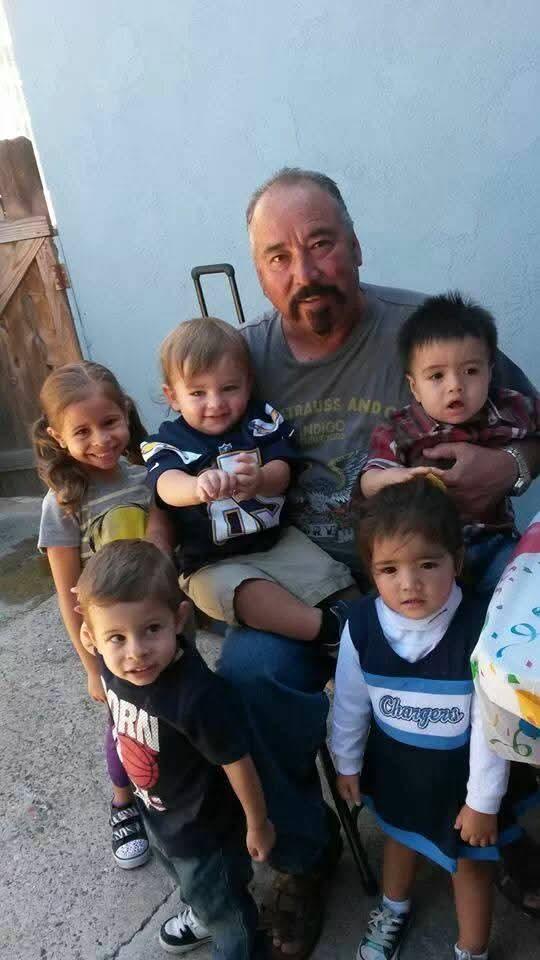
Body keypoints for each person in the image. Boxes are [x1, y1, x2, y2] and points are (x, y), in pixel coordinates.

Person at [152, 167, 540, 956]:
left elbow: (530, 426)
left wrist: (516, 468)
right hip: (305, 575)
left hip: (438, 571)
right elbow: (166, 463)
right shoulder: (244, 355)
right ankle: (304, 856)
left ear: (355, 247)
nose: (304, 272)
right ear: (258, 271)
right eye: (278, 257)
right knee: (252, 676)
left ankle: (506, 823)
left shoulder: (424, 330)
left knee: (517, 653)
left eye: (320, 244)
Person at [331, 478, 513, 960]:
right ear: (371, 571)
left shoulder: (480, 626)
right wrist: (346, 762)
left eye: (427, 564)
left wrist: (483, 801)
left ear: (457, 559)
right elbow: (349, 703)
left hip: (463, 779)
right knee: (398, 836)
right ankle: (393, 908)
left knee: (471, 867)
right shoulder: (362, 625)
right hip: (398, 766)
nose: (408, 584)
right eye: (389, 569)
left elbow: (493, 729)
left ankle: (472, 950)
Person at [77, 539, 275, 959]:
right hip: (161, 813)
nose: (136, 653)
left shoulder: (196, 697)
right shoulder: (115, 672)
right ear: (90, 637)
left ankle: (239, 946)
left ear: (179, 618)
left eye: (152, 629)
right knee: (187, 881)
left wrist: (257, 823)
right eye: (117, 637)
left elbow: (237, 762)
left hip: (206, 832)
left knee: (227, 909)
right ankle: (203, 911)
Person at [141, 316, 354, 651]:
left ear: (248, 383)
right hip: (210, 562)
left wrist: (260, 480)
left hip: (276, 542)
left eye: (229, 388)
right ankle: (325, 630)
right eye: (198, 392)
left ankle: (363, 624)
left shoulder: (261, 422)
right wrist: (196, 487)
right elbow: (165, 485)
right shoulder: (168, 441)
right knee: (244, 592)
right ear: (173, 396)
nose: (215, 403)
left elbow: (283, 470)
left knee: (336, 579)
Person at [34, 361, 152, 869]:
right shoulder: (62, 503)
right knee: (125, 724)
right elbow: (68, 593)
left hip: (162, 628)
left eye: (110, 423)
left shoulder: (152, 476)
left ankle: (178, 789)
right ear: (58, 438)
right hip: (111, 643)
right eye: (82, 431)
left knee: (177, 711)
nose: (101, 439)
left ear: (126, 414)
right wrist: (91, 666)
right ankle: (123, 802)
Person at [360, 292, 540, 590]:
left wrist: (515, 460)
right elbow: (369, 481)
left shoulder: (510, 408)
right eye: (437, 376)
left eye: (470, 371)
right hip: (425, 556)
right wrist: (399, 477)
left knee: (522, 594)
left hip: (495, 543)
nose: (455, 386)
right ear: (414, 387)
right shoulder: (401, 429)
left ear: (490, 373)